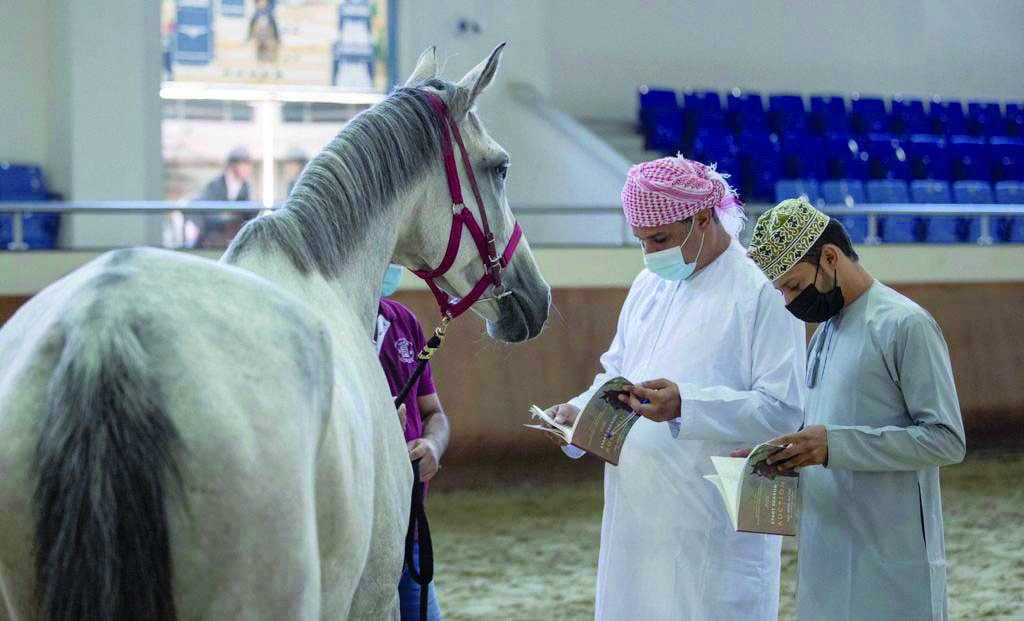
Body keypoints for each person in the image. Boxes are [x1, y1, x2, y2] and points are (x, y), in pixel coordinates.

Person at [542, 156, 806, 620]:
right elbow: (617, 370)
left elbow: (783, 408)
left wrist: (687, 404)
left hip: (709, 517)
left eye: (659, 239)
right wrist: (579, 409)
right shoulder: (649, 285)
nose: (649, 254)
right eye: (642, 241)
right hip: (636, 513)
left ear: (702, 218)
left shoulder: (762, 289)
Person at [745, 198, 966, 621]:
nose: (790, 301)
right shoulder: (826, 331)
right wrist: (782, 457)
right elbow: (825, 435)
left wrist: (833, 446)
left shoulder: (904, 324)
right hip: (825, 549)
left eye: (792, 286)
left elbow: (946, 440)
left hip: (890, 556)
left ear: (830, 257)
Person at [375, 264, 449, 621]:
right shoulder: (322, 326)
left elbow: (434, 412)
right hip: (352, 536)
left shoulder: (405, 321)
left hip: (408, 531)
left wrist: (432, 445)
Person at [196, 147, 256, 248]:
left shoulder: (245, 187)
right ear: (233, 165)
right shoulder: (215, 185)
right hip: (214, 238)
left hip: (234, 238)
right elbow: (208, 214)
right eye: (245, 164)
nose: (249, 169)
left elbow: (247, 215)